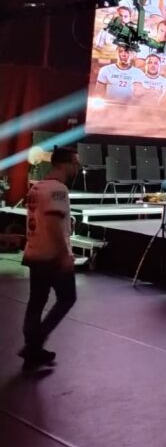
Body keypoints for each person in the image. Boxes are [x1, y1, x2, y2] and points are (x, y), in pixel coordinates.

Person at [19, 147, 79, 371]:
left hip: (34, 251)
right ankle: (34, 344)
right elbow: (54, 223)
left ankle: (32, 348)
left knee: (36, 301)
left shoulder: (38, 187)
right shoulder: (58, 190)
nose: (77, 168)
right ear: (65, 164)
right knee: (67, 298)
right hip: (52, 256)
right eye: (75, 163)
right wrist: (64, 255)